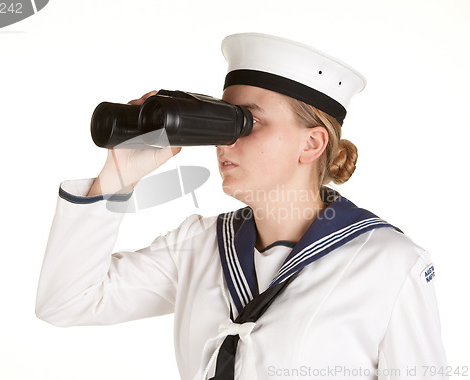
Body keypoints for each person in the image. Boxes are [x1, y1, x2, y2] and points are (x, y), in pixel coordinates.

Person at [36, 33, 447, 379]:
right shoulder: (198, 245)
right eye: (223, 122)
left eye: (247, 122)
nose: (223, 141)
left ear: (312, 143)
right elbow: (66, 302)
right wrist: (119, 174)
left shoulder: (390, 264)